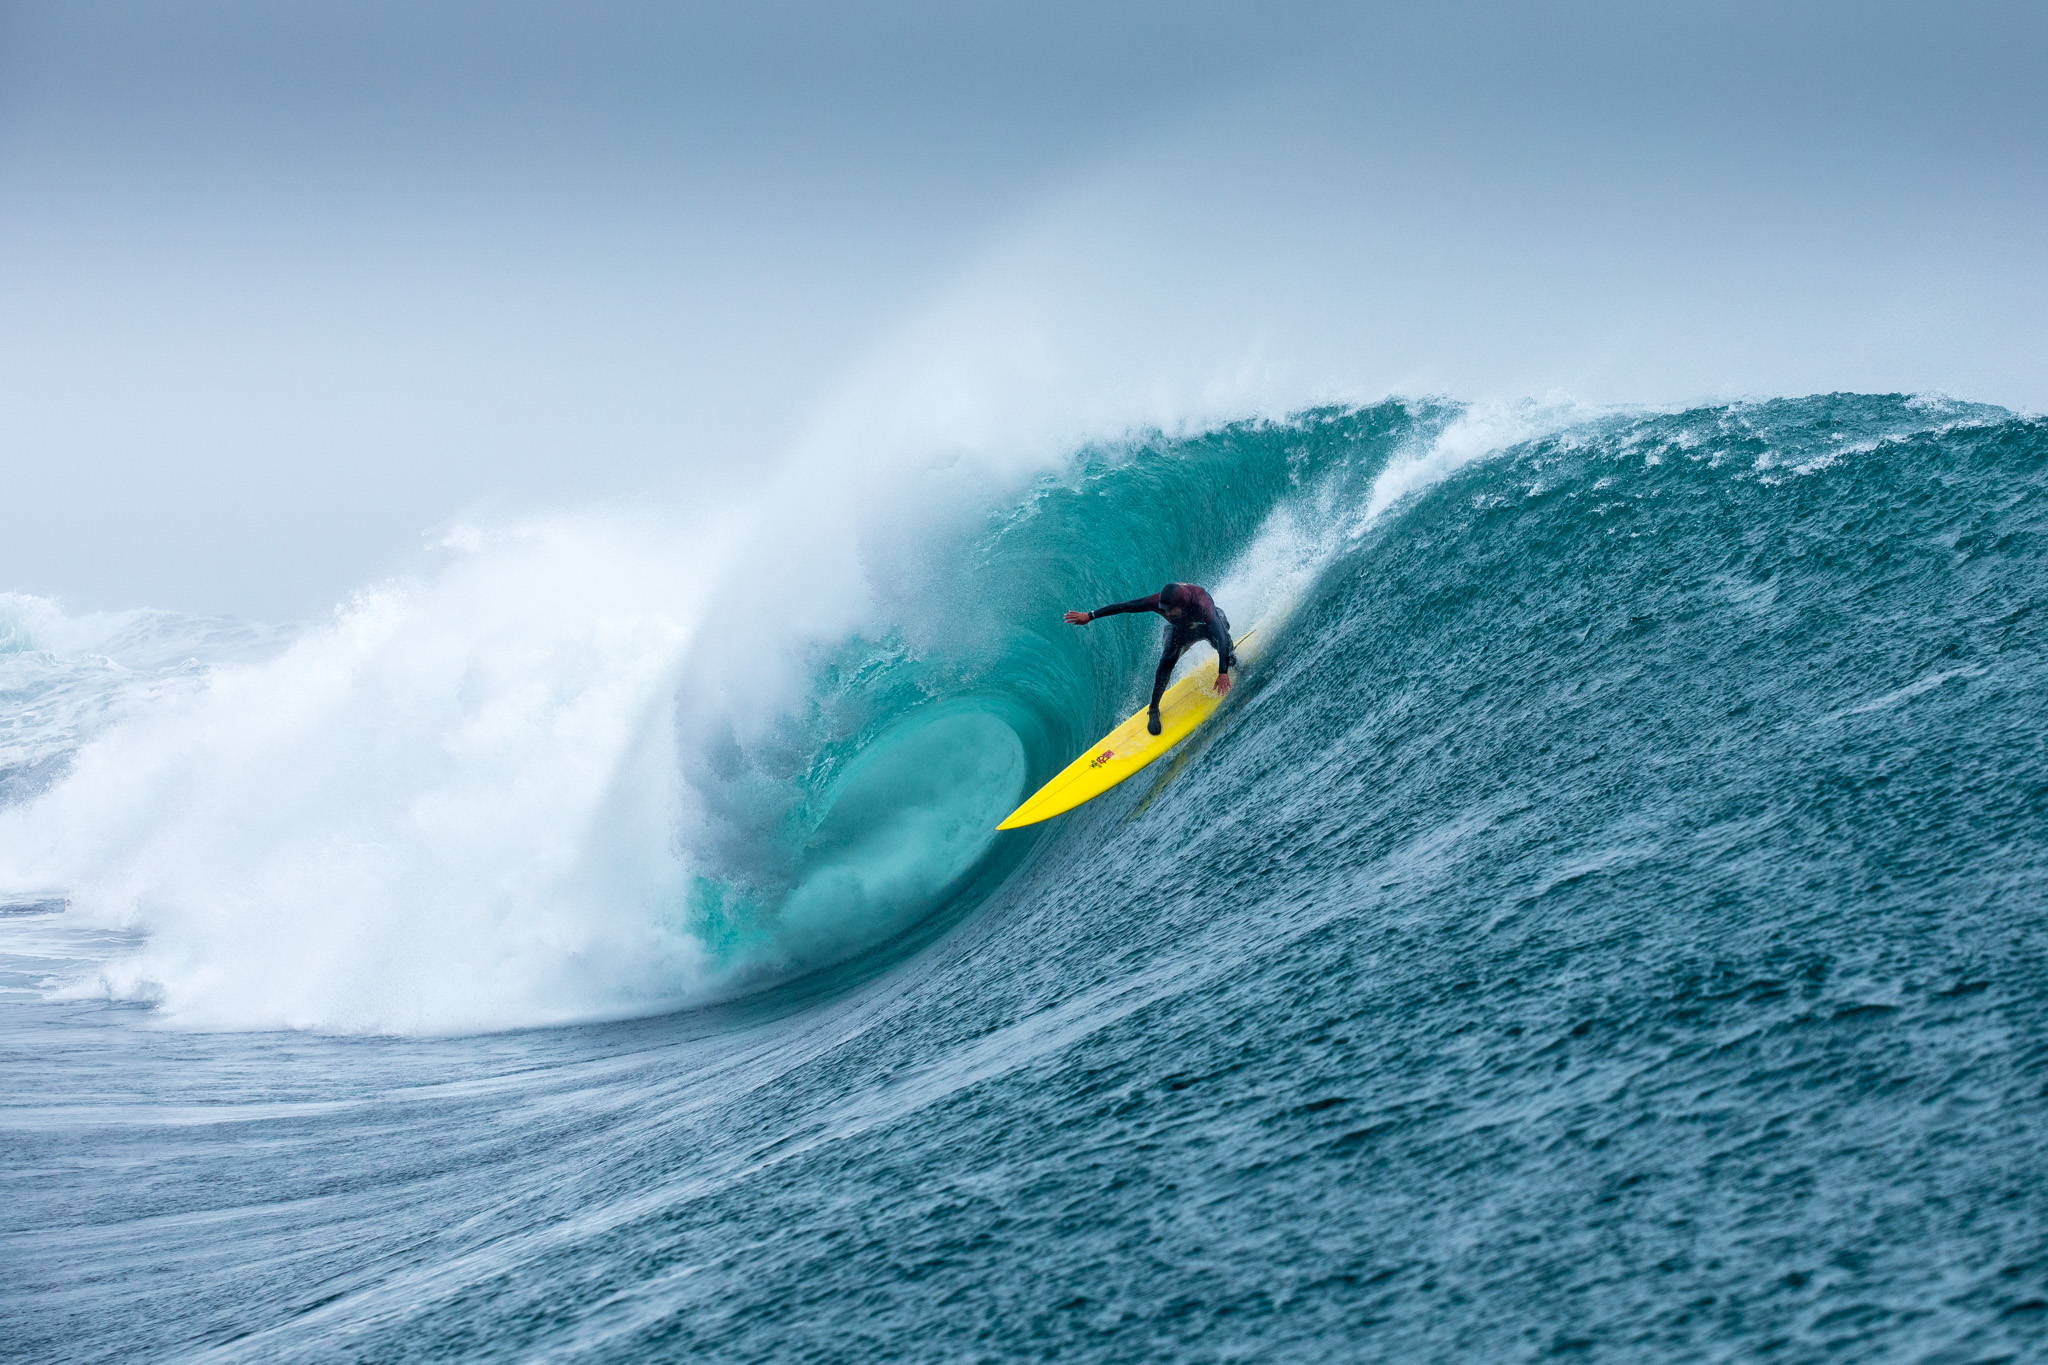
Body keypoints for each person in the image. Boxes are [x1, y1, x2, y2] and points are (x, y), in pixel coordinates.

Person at [1064, 582, 1235, 735]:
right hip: (1179, 631)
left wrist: (1222, 672)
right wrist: (1090, 615)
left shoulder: (1201, 603)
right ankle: (1153, 710)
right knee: (1166, 661)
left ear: (1182, 605)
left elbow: (1220, 635)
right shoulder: (1156, 602)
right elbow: (1126, 606)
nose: (1166, 613)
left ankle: (1234, 664)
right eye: (1163, 609)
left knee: (1225, 644)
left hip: (1205, 626)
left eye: (1170, 610)